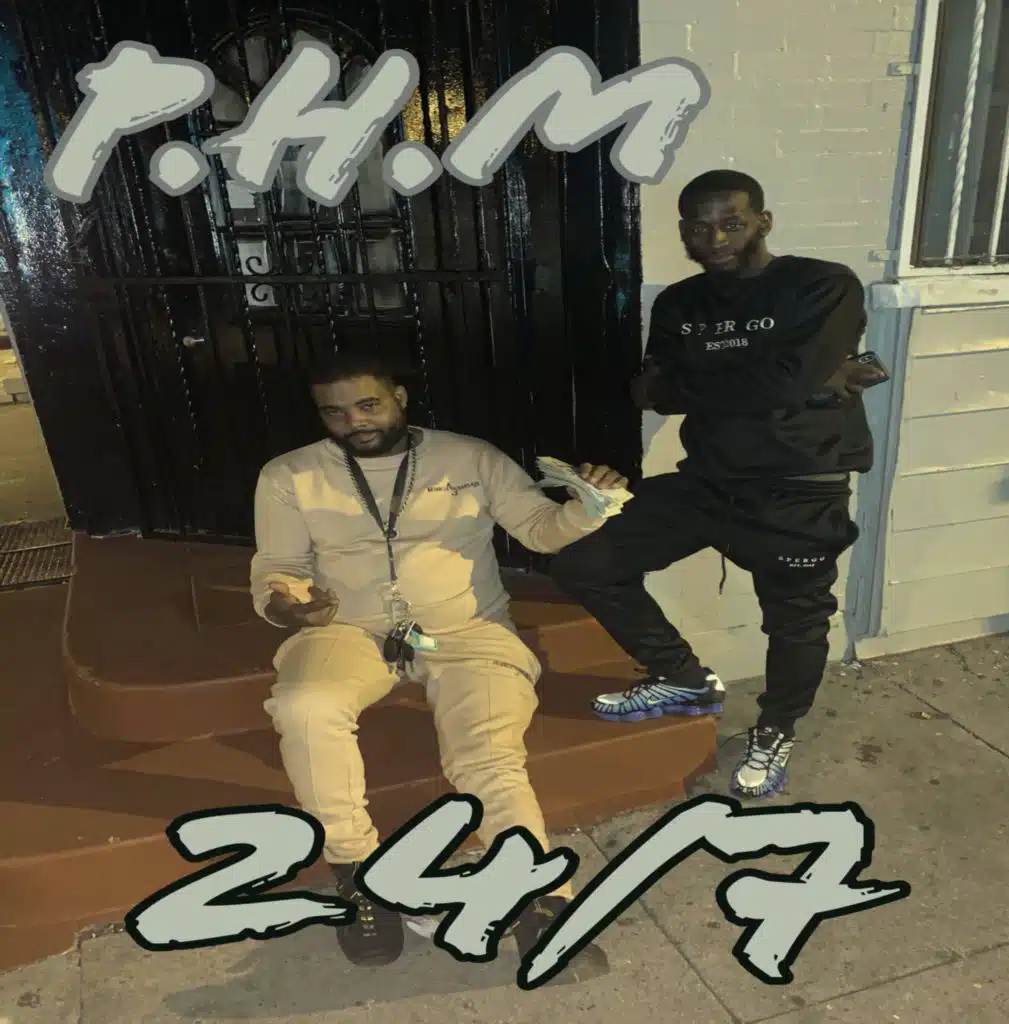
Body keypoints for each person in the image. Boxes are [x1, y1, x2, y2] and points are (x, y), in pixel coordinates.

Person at [250, 348, 627, 975]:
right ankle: (357, 874)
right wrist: (289, 605)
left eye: (368, 404)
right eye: (334, 413)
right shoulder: (290, 475)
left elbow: (539, 527)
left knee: (487, 751)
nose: (354, 422)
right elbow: (278, 569)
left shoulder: (471, 457)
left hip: (468, 628)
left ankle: (541, 900)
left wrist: (589, 506)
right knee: (305, 707)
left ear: (399, 398)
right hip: (346, 629)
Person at [547, 169, 886, 800]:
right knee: (583, 558)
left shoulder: (822, 284)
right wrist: (801, 378)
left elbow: (768, 384)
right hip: (707, 482)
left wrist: (762, 381)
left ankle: (777, 727)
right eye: (700, 227)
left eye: (732, 222)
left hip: (799, 486)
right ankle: (682, 677)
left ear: (763, 221)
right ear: (684, 231)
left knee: (795, 622)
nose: (716, 238)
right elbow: (650, 392)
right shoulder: (679, 303)